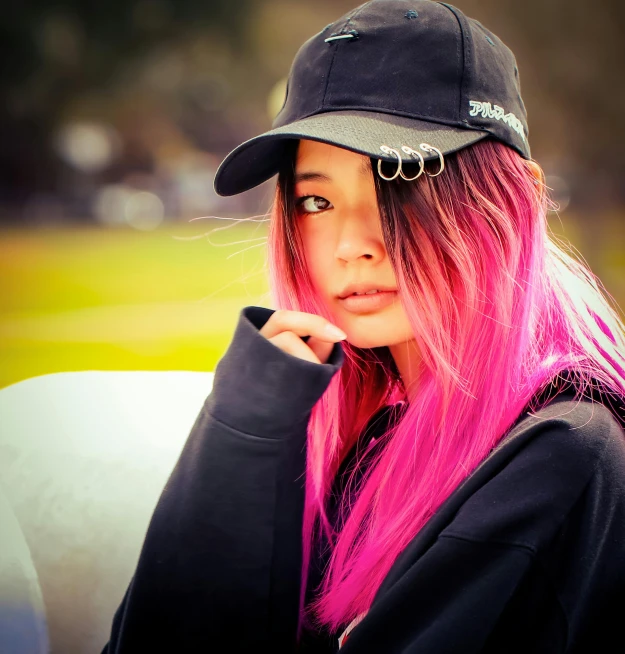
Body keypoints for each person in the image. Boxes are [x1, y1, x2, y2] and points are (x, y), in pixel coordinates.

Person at [101, 1, 625, 652]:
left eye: (399, 179)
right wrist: (242, 433)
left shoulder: (561, 454)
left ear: (514, 199)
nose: (350, 243)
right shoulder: (359, 430)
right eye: (315, 200)